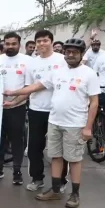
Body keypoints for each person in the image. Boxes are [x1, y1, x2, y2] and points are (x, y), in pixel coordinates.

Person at [5, 38, 99, 208]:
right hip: (54, 121)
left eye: (75, 52)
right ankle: (55, 190)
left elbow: (94, 102)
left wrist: (88, 127)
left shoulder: (89, 74)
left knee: (74, 159)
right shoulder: (58, 71)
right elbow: (35, 87)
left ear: (81, 54)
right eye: (68, 52)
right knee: (55, 156)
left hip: (75, 124)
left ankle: (75, 194)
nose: (71, 55)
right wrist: (13, 93)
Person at [24, 30, 69, 192]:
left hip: (57, 111)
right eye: (39, 41)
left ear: (52, 41)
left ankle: (61, 180)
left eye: (45, 40)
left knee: (58, 148)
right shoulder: (31, 63)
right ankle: (37, 179)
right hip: (36, 109)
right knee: (34, 147)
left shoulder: (62, 60)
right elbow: (28, 88)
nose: (42, 43)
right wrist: (14, 101)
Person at [0, 32, 28, 184]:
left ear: (19, 44)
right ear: (4, 44)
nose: (10, 46)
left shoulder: (27, 61)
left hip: (18, 107)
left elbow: (28, 87)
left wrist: (15, 102)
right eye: (7, 44)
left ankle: (17, 171)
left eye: (13, 44)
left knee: (17, 140)